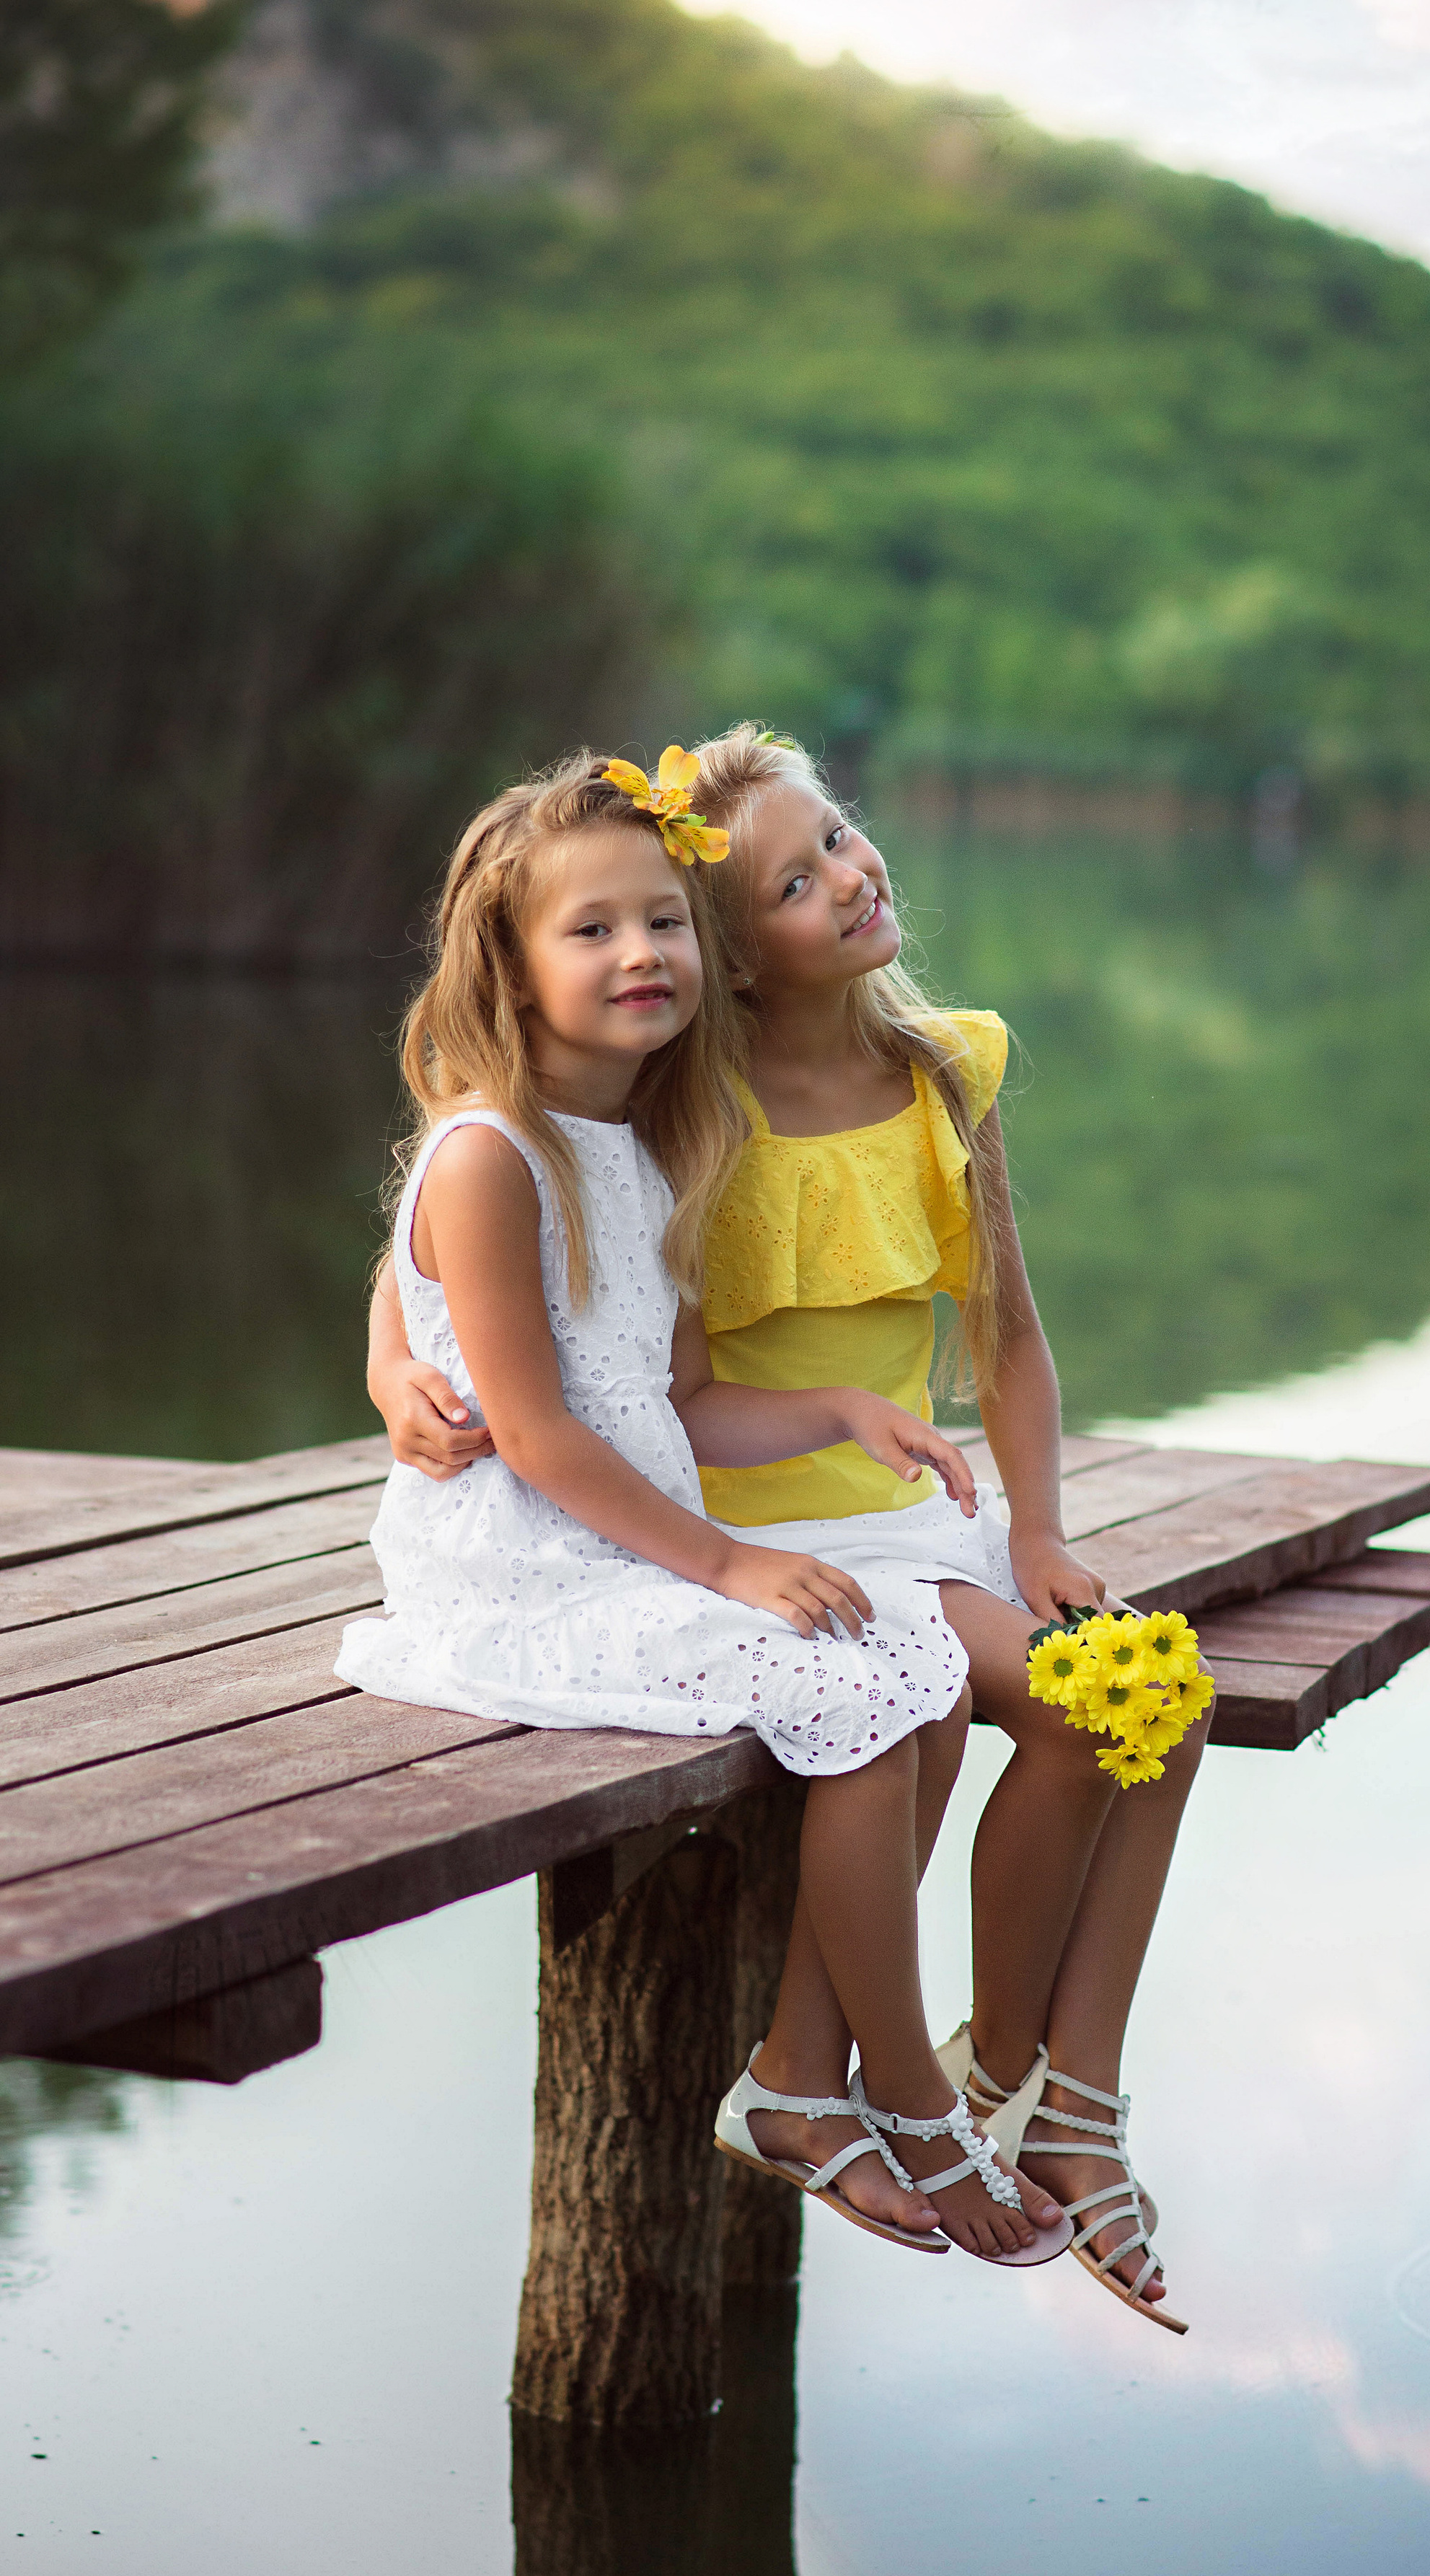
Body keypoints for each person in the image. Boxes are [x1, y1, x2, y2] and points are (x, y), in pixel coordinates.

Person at [373, 731, 1207, 2332]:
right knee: (954, 1698)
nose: (846, 873)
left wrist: (1029, 1522)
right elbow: (473, 1232)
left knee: (1151, 1716)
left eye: (837, 840)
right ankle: (913, 2090)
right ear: (734, 959)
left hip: (888, 1510)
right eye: (790, 876)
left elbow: (1005, 1336)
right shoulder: (677, 1101)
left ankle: (1042, 2092)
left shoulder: (881, 1084)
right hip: (713, 1528)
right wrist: (387, 1361)